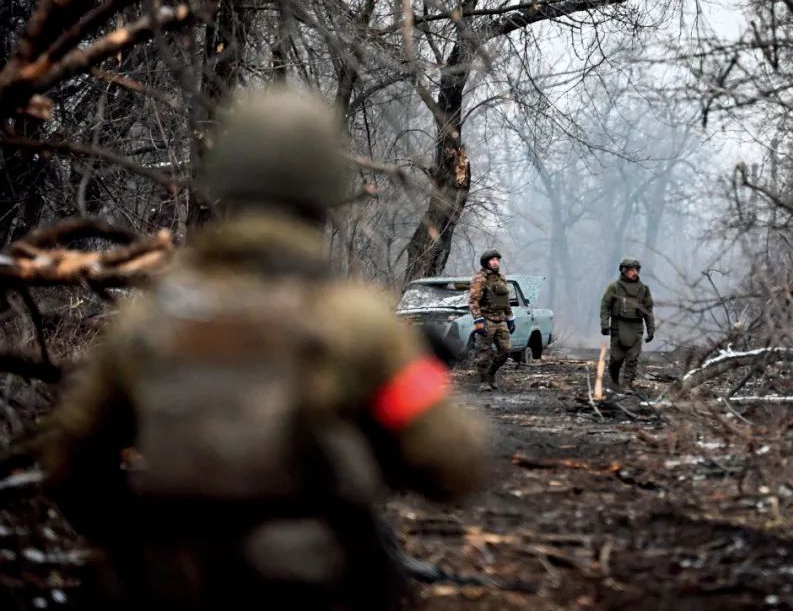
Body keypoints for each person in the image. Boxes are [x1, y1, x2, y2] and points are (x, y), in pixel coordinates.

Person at [37, 85, 488, 610]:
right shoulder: (357, 325)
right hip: (316, 585)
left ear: (227, 180)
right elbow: (455, 465)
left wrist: (141, 536)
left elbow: (69, 461)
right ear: (323, 189)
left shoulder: (149, 320)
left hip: (165, 585)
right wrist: (411, 388)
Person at [599, 257, 655, 391]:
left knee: (633, 357)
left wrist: (651, 329)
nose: (634, 272)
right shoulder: (614, 288)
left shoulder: (643, 289)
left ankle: (627, 384)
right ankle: (614, 380)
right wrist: (604, 324)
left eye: (636, 270)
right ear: (624, 271)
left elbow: (648, 310)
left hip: (636, 327)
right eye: (631, 270)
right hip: (618, 326)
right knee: (616, 359)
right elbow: (605, 306)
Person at [468, 249, 515, 391]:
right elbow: (473, 301)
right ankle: (484, 381)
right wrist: (478, 321)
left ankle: (491, 374)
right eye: (492, 260)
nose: (496, 262)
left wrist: (510, 318)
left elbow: (505, 300)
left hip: (500, 319)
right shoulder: (480, 278)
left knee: (506, 350)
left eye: (497, 260)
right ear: (486, 262)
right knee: (484, 353)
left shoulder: (501, 278)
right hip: (486, 319)